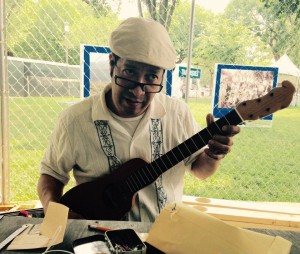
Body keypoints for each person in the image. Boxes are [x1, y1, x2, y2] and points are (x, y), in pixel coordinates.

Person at [37, 17, 240, 222]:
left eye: (151, 77)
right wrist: (56, 214)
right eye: (130, 72)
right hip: (97, 237)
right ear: (112, 64)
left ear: (162, 77)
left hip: (166, 235)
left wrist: (214, 155)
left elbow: (200, 171)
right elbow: (51, 175)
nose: (137, 90)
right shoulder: (74, 121)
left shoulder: (179, 115)